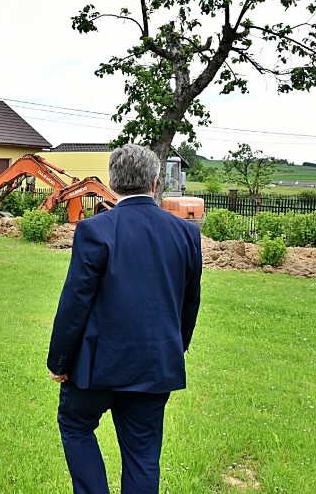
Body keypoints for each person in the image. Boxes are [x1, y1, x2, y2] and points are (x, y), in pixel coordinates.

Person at [47, 144, 202, 494]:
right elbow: (189, 302)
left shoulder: (95, 230)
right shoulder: (186, 234)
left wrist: (59, 361)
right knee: (143, 456)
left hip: (96, 367)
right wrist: (176, 347)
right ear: (155, 180)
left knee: (75, 426)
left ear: (114, 182)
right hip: (154, 364)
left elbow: (75, 302)